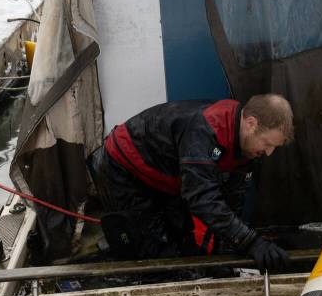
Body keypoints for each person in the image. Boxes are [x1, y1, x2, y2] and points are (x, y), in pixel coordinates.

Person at [88, 94, 294, 270]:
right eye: (267, 144)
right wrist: (250, 241)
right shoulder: (206, 129)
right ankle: (117, 246)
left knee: (184, 244)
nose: (268, 153)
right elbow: (202, 198)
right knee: (154, 256)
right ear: (251, 123)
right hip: (123, 168)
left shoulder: (247, 144)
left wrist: (235, 246)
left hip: (166, 175)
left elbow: (232, 200)